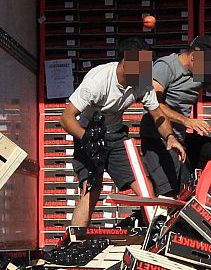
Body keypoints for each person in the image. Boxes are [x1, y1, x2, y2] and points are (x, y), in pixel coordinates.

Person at [61, 37, 186, 234]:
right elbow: (66, 117)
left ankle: (154, 239)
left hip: (117, 137)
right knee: (91, 190)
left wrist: (170, 136)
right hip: (88, 134)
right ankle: (73, 244)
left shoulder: (142, 82)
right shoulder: (98, 81)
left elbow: (158, 114)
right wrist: (86, 138)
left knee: (144, 187)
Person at [139, 35, 211, 196]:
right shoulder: (166, 67)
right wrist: (187, 121)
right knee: (177, 192)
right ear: (194, 57)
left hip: (181, 138)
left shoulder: (200, 71)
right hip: (158, 140)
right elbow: (154, 104)